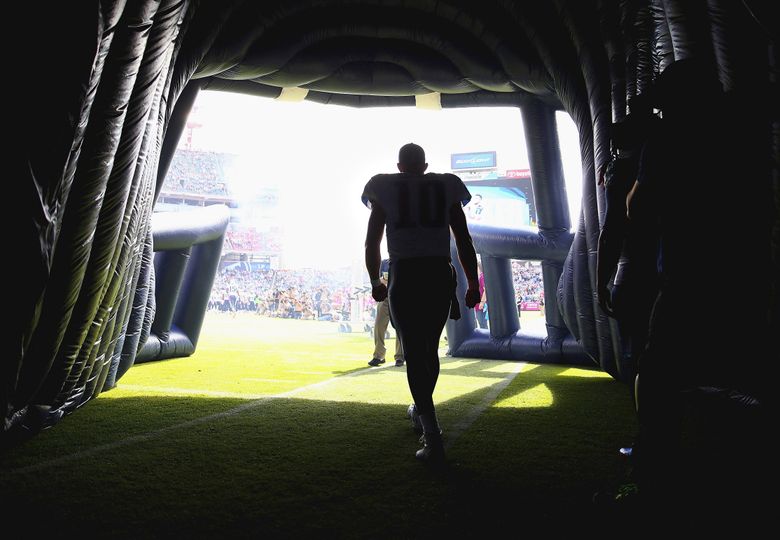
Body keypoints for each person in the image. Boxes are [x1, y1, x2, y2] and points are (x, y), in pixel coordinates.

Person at [625, 58, 771, 521]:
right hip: (749, 278)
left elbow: (640, 211)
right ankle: (742, 482)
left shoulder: (667, 141)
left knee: (659, 378)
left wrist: (635, 164)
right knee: (741, 379)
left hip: (688, 280)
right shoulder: (744, 129)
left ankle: (654, 477)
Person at [363, 143, 480, 463]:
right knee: (428, 350)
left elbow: (373, 239)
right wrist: (472, 281)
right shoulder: (446, 185)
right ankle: (421, 410)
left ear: (399, 167)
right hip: (439, 273)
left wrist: (376, 280)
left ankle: (432, 436)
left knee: (414, 353)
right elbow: (463, 238)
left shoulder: (383, 185)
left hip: (406, 274)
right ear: (425, 165)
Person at [368, 258, 405, 367]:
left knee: (399, 327)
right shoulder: (384, 263)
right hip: (385, 296)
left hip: (400, 297)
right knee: (379, 326)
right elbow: (379, 278)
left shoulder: (404, 261)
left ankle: (400, 356)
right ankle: (379, 356)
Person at [474, 260, 488, 329]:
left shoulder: (482, 277)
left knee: (482, 324)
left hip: (481, 305)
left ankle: (486, 339)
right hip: (477, 305)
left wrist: (482, 302)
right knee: (480, 323)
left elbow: (486, 291)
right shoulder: (477, 277)